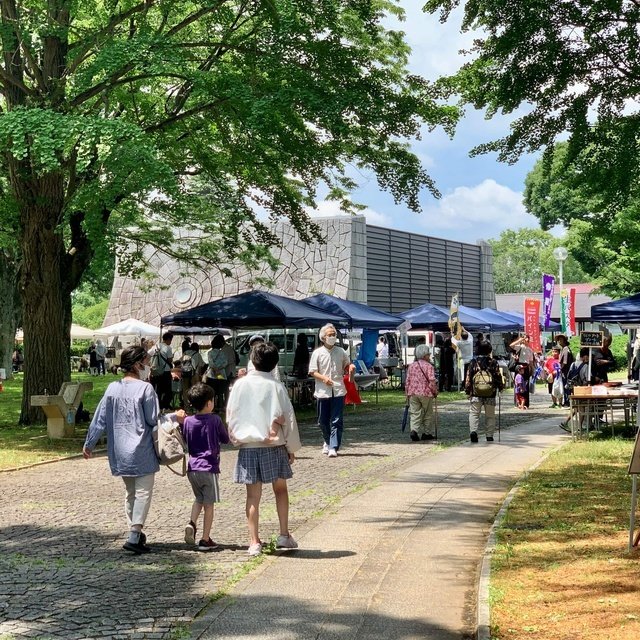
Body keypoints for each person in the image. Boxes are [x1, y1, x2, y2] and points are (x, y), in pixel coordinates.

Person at [82, 346, 184, 554]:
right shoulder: (146, 389)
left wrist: (89, 444)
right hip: (142, 449)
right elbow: (153, 419)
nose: (149, 366)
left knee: (130, 492)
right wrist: (174, 417)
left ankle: (134, 532)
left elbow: (100, 418)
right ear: (138, 365)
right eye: (147, 362)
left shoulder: (112, 388)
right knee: (143, 492)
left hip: (119, 450)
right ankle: (134, 534)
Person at [226, 342, 302, 557]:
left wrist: (235, 437)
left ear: (252, 359)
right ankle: (284, 534)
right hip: (274, 445)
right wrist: (291, 447)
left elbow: (231, 414)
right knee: (281, 490)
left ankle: (254, 541)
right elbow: (288, 418)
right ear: (275, 363)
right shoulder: (276, 386)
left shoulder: (240, 385)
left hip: (248, 445)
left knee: (252, 496)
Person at [182, 383, 230, 552]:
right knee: (209, 505)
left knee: (199, 499)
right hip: (209, 468)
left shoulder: (187, 421)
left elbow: (185, 439)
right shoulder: (215, 420)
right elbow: (225, 439)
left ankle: (192, 523)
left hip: (192, 468)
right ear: (209, 403)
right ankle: (205, 539)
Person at [309, 323, 356, 458]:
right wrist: (324, 378)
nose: (332, 337)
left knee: (336, 420)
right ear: (323, 337)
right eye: (330, 335)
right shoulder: (317, 353)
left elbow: (347, 365)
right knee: (322, 421)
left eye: (334, 334)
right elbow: (312, 371)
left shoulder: (341, 351)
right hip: (322, 391)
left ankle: (333, 446)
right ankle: (328, 440)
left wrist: (351, 368)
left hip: (338, 390)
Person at [465, 340, 505, 442]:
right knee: (490, 415)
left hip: (476, 392)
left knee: (474, 413)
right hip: (490, 393)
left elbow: (469, 377)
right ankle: (489, 435)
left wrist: (468, 391)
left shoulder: (473, 362)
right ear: (489, 350)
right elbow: (497, 376)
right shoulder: (493, 362)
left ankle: (473, 431)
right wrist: (500, 388)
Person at [404, 344, 438, 441]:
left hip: (413, 393)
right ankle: (426, 433)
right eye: (428, 354)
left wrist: (407, 393)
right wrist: (435, 392)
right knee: (427, 413)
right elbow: (432, 381)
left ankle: (414, 430)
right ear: (424, 355)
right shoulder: (429, 366)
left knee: (415, 413)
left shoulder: (411, 366)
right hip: (426, 393)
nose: (429, 356)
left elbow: (407, 381)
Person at [559, 347, 591, 432]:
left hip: (573, 389)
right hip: (581, 390)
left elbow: (569, 375)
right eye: (588, 356)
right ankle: (580, 427)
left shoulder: (573, 364)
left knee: (576, 407)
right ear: (585, 356)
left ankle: (565, 422)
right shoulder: (586, 366)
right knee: (581, 407)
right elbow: (588, 379)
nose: (588, 358)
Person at [149, 332, 174, 410]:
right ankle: (165, 405)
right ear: (168, 339)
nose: (171, 342)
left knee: (158, 390)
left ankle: (158, 405)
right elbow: (170, 360)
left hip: (156, 371)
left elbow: (148, 355)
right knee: (168, 390)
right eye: (171, 340)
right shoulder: (168, 348)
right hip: (165, 371)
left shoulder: (155, 346)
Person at [509, 334, 534, 407]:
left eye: (528, 338)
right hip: (519, 367)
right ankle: (518, 403)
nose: (527, 339)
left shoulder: (530, 350)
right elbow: (511, 345)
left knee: (525, 385)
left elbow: (531, 362)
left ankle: (525, 403)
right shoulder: (519, 347)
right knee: (518, 384)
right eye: (526, 338)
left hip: (526, 367)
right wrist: (520, 340)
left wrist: (532, 370)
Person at [205, 334, 228, 411]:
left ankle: (212, 407)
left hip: (212, 375)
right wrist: (219, 368)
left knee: (212, 393)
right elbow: (226, 363)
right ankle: (220, 407)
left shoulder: (210, 353)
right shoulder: (223, 353)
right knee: (220, 392)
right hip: (221, 375)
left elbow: (211, 364)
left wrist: (215, 369)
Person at [180, 342, 205, 408]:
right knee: (195, 390)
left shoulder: (185, 353)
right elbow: (201, 365)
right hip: (194, 374)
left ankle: (186, 406)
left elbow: (180, 361)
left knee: (185, 390)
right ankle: (194, 405)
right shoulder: (198, 354)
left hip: (185, 373)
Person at [556, 334, 574, 407]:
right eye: (558, 340)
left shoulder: (566, 349)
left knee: (566, 386)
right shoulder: (563, 349)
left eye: (561, 339)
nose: (559, 341)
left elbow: (565, 362)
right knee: (565, 386)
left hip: (566, 371)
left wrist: (560, 369)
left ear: (564, 340)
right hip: (565, 370)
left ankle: (567, 402)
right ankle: (567, 401)